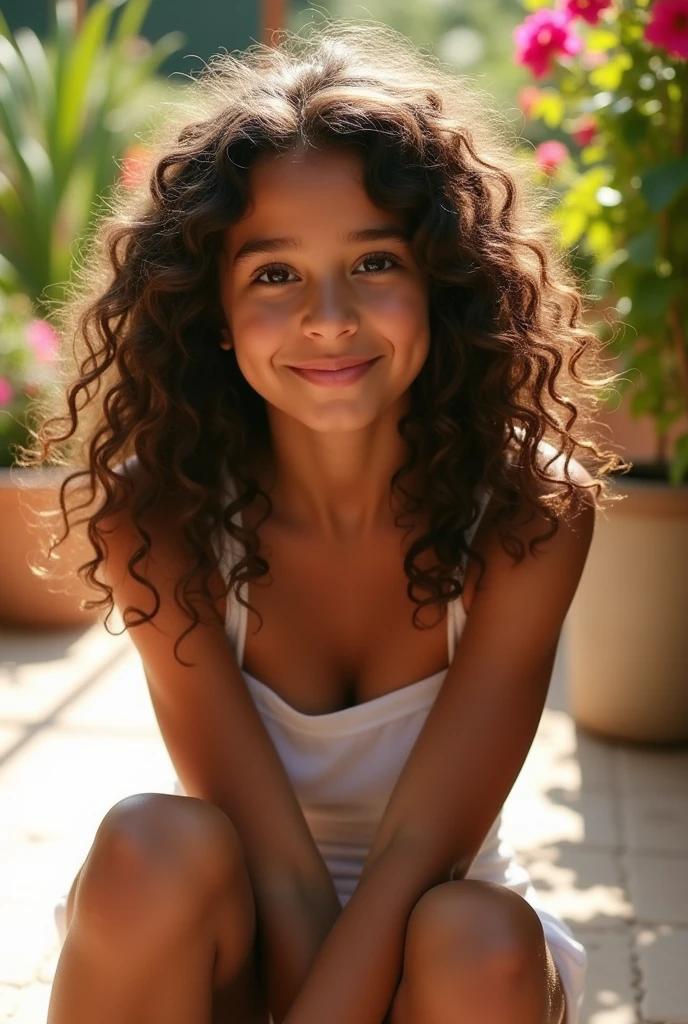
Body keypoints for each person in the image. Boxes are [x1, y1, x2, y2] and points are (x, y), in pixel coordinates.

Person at [27, 18, 628, 1024]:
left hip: (438, 955)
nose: (329, 317)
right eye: (274, 273)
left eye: (375, 263)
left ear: (441, 279)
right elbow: (278, 865)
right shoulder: (160, 509)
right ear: (212, 309)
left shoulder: (530, 508)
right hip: (249, 927)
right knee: (151, 844)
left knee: (473, 931)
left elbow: (412, 861)